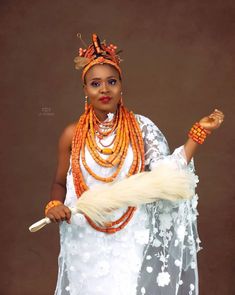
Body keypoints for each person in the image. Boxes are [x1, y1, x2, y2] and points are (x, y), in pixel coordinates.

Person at [45, 34, 224, 295]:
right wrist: (54, 204)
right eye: (95, 84)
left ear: (121, 86)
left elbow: (166, 174)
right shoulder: (71, 133)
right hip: (83, 232)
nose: (104, 89)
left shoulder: (140, 128)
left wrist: (198, 133)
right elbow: (59, 182)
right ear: (85, 90)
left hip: (128, 233)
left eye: (111, 82)